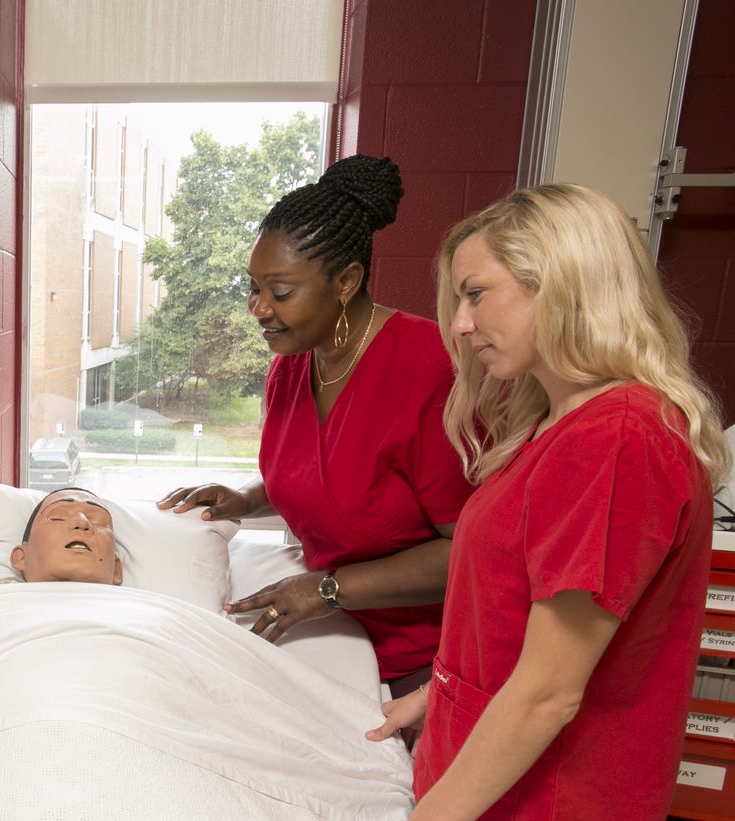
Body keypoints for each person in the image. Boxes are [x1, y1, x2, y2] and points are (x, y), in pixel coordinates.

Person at [365, 183, 726, 818]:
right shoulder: (556, 423)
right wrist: (440, 693)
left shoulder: (617, 438)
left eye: (476, 293)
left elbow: (548, 693)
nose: (460, 322)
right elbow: (509, 614)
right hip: (485, 771)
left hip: (551, 797)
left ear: (561, 281)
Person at [158, 155, 473, 695]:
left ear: (347, 280)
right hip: (335, 641)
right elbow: (332, 478)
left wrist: (324, 590)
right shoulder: (290, 368)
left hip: (426, 660)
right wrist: (249, 499)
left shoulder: (429, 370)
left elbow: (467, 550)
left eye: (280, 292)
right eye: (252, 288)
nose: (258, 308)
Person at [11, 488, 123, 585]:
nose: (82, 522)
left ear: (116, 570)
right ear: (21, 557)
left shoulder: (137, 606)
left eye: (98, 521)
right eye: (58, 517)